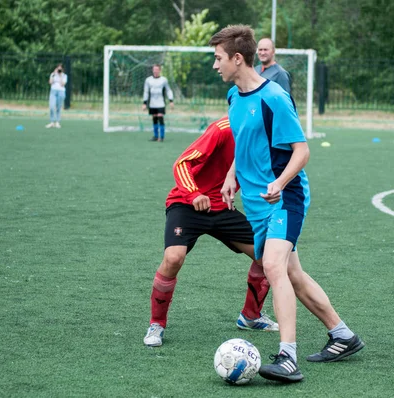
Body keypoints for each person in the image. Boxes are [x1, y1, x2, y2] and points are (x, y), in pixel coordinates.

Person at [209, 25, 364, 383]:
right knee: (292, 273)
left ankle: (287, 357)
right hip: (257, 203)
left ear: (236, 58)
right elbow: (247, 143)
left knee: (274, 267)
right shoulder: (235, 97)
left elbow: (302, 151)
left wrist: (279, 182)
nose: (215, 66)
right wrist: (232, 173)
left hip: (285, 197)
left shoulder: (275, 97)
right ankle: (342, 335)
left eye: (218, 59)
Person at [143, 116, 278, 348]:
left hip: (223, 208)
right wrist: (194, 194)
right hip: (187, 203)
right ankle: (157, 323)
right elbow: (182, 163)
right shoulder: (222, 129)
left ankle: (251, 316)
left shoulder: (268, 135)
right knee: (173, 257)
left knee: (267, 257)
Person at [142, 64, 174, 142]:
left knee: (160, 117)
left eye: (157, 69)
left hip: (161, 103)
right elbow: (146, 92)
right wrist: (144, 103)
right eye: (154, 69)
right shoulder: (148, 80)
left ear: (160, 70)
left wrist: (171, 101)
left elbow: (168, 90)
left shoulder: (164, 80)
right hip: (152, 103)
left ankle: (162, 137)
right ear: (152, 70)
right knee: (154, 118)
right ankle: (156, 136)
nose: (155, 71)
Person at [46, 64, 67, 128]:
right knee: (52, 106)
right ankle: (52, 122)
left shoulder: (64, 76)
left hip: (61, 92)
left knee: (58, 107)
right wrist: (54, 74)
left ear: (62, 69)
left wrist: (60, 76)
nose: (59, 70)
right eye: (58, 69)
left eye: (60, 69)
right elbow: (50, 82)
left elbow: (63, 84)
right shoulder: (53, 74)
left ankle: (57, 122)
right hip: (53, 91)